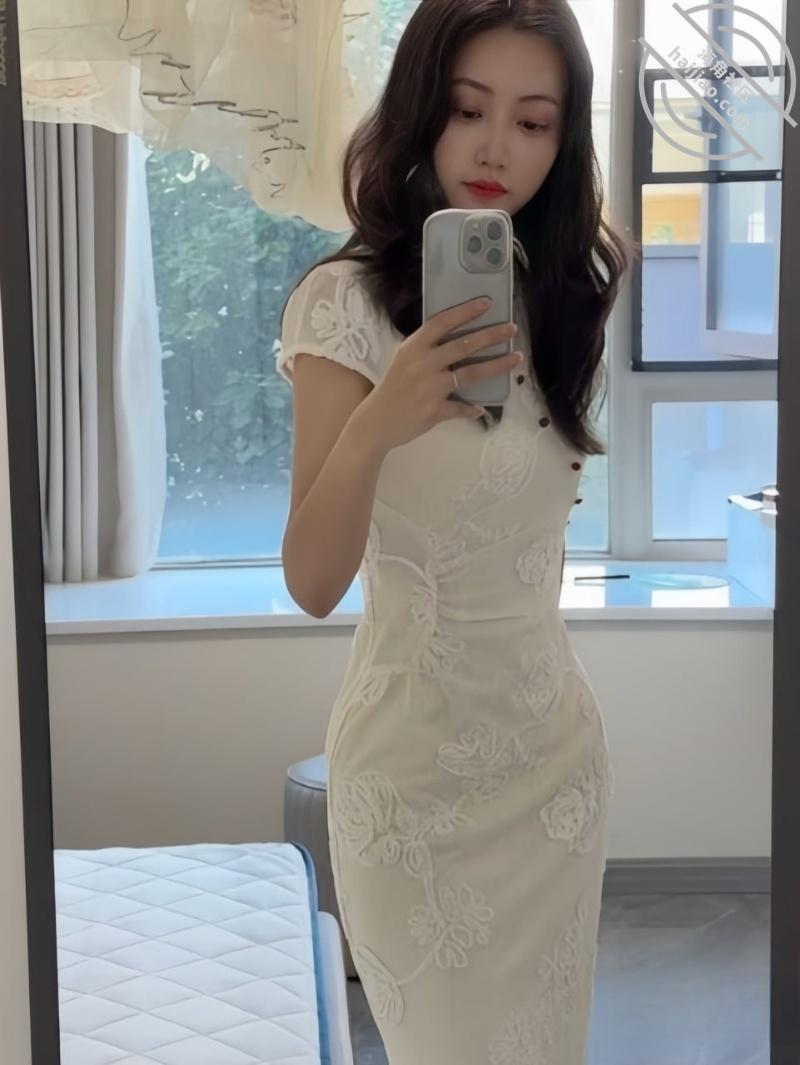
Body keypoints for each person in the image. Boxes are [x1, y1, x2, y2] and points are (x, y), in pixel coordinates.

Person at [277, 1, 634, 1061]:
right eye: (468, 109)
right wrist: (378, 422)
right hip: (411, 788)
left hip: (553, 770)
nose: (494, 149)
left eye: (532, 122)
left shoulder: (562, 295)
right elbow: (311, 581)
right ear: (419, 109)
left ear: (562, 140)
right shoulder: (342, 304)